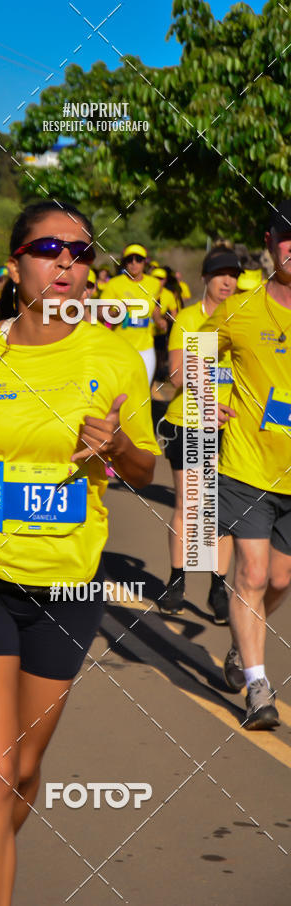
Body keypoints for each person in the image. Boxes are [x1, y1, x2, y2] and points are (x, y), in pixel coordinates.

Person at [0, 200, 160, 904]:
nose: (67, 263)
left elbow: (145, 472)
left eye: (81, 252)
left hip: (70, 584)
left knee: (21, 770)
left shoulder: (113, 358)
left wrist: (120, 449)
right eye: (50, 249)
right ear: (16, 264)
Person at [201, 202, 291, 731]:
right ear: (271, 241)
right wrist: (209, 396)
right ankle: (258, 683)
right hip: (247, 463)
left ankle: (241, 643)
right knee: (252, 573)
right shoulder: (244, 307)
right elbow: (195, 352)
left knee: (280, 576)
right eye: (288, 237)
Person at [156, 246, 241, 620]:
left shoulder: (242, 318)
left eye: (234, 275)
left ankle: (218, 588)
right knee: (192, 506)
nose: (228, 281)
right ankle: (177, 581)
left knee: (222, 512)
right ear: (205, 277)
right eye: (220, 273)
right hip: (189, 421)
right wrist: (208, 400)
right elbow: (175, 375)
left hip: (233, 427)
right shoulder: (190, 320)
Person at [100, 243, 167, 384]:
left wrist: (159, 319)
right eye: (130, 260)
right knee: (119, 389)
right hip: (120, 346)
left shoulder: (154, 284)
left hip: (145, 348)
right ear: (124, 263)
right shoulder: (114, 284)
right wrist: (116, 312)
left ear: (145, 263)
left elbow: (155, 307)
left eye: (139, 259)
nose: (134, 263)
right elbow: (100, 313)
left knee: (143, 390)